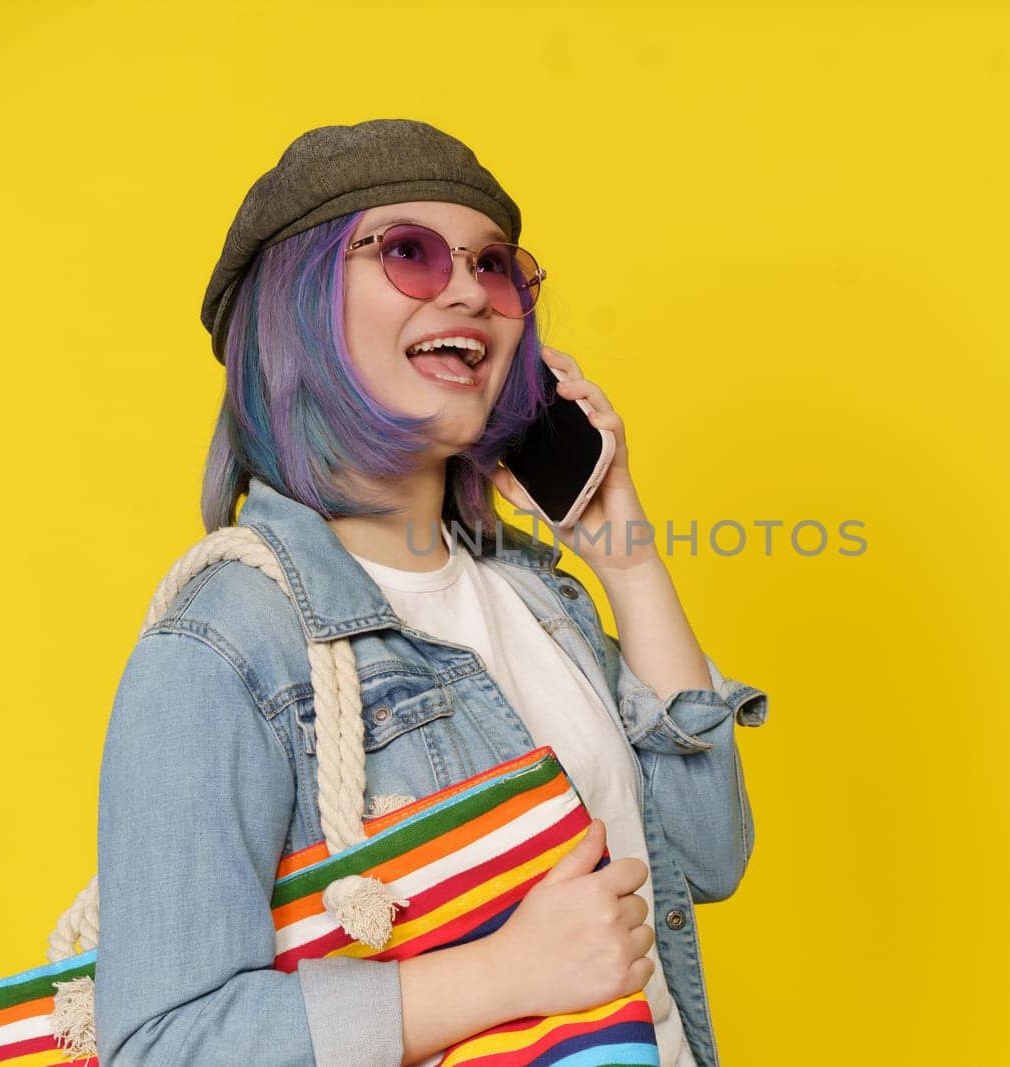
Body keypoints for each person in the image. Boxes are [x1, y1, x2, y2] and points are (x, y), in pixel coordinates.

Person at [94, 119, 769, 1067]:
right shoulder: (228, 648)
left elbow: (705, 857)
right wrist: (500, 975)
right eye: (408, 253)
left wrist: (624, 554)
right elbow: (162, 1045)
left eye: (495, 268)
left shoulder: (539, 601)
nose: (468, 290)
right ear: (298, 309)